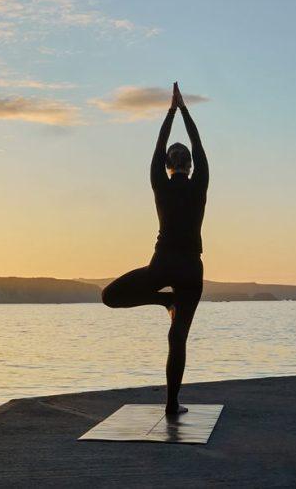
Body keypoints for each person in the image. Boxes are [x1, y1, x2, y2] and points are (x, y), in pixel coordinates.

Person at [101, 82, 208, 415]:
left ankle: (165, 300)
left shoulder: (159, 182)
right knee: (177, 340)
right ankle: (172, 404)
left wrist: (171, 111)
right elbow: (197, 143)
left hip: (162, 266)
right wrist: (184, 110)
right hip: (190, 270)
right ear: (190, 165)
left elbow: (163, 144)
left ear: (166, 165)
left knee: (110, 296)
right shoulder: (200, 183)